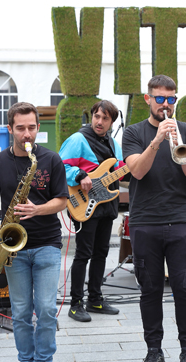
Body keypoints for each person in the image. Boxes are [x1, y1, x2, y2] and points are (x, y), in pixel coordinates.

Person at [0, 102, 68, 362]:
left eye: (31, 127)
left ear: (37, 128)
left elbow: (62, 201)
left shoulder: (51, 160)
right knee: (20, 312)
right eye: (20, 128)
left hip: (47, 244)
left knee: (44, 309)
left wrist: (39, 209)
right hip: (12, 246)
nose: (26, 134)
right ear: (10, 129)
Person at [122, 75, 186, 362]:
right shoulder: (133, 133)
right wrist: (157, 141)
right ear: (148, 99)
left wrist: (177, 143)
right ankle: (154, 352)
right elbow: (137, 172)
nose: (165, 105)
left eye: (171, 99)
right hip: (144, 220)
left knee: (185, 288)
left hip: (181, 219)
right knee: (150, 289)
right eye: (160, 99)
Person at [59, 100, 125, 322]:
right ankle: (75, 303)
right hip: (84, 204)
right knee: (83, 254)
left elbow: (120, 172)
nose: (99, 121)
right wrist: (79, 175)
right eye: (97, 116)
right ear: (92, 116)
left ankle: (95, 298)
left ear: (111, 122)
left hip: (106, 205)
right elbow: (60, 165)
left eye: (105, 118)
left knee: (101, 253)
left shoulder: (114, 144)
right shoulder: (78, 139)